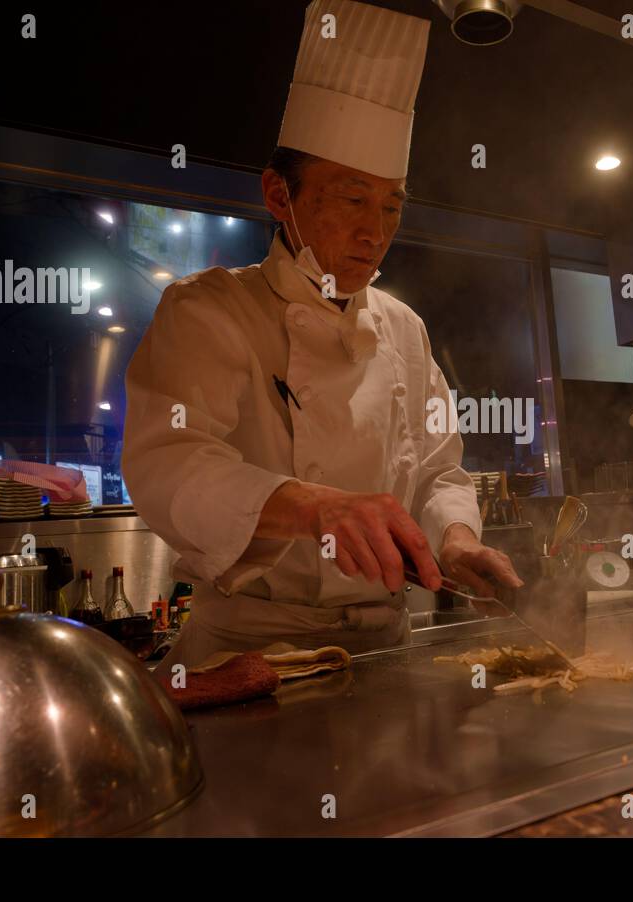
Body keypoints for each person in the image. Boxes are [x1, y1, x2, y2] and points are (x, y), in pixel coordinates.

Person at [122, 0, 521, 668]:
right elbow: (168, 462)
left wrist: (455, 540)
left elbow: (438, 469)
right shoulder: (208, 309)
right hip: (247, 654)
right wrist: (311, 507)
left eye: (391, 206)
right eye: (352, 198)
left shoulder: (402, 326)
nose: (376, 231)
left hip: (383, 650)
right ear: (280, 197)